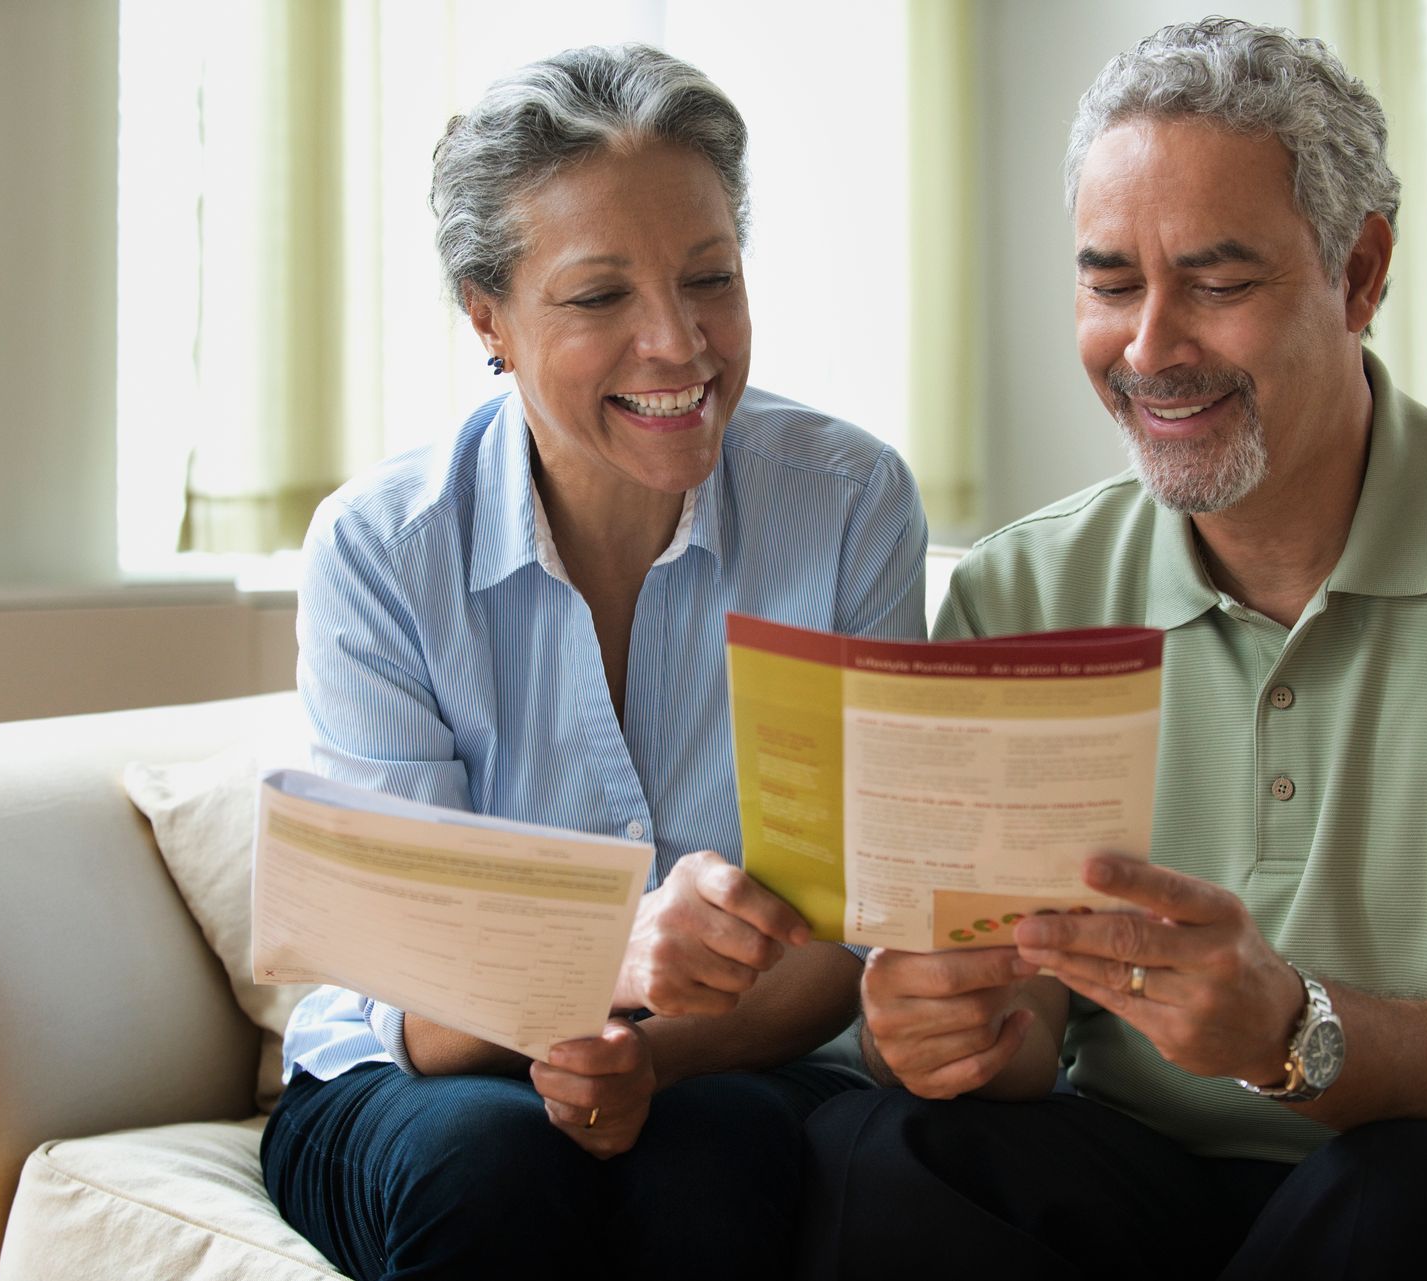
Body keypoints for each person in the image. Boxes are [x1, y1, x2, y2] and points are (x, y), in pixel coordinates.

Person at [799, 18, 1427, 1280]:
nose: (1150, 348)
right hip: (1144, 1153)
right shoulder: (1021, 591)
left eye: (1217, 285)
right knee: (888, 1150)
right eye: (1112, 284)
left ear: (1360, 273)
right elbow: (1027, 1010)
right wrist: (958, 1033)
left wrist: (1290, 1030)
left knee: (1397, 1203)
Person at [259, 44, 926, 1280]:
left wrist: (648, 1053)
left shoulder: (848, 505)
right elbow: (418, 1001)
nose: (677, 343)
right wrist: (602, 966)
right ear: (489, 319)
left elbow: (844, 940)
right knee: (488, 1163)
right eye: (599, 297)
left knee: (718, 1166)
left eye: (710, 277)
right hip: (422, 1066)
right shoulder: (383, 549)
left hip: (728, 1058)